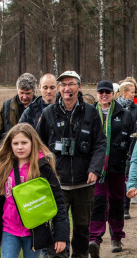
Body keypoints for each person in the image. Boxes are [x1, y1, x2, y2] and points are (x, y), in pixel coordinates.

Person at [0, 123, 69, 258]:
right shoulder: (2, 168)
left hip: (35, 231)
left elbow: (58, 202)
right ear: (10, 145)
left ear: (33, 143)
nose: (20, 147)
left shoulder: (43, 168)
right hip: (9, 229)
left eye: (24, 142)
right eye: (15, 143)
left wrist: (61, 236)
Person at [37, 70, 107, 258]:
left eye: (71, 84)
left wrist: (95, 169)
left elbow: (100, 143)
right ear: (59, 88)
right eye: (63, 85)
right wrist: (44, 172)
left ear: (79, 87)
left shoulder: (91, 112)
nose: (67, 88)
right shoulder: (48, 113)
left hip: (85, 182)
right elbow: (38, 145)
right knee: (57, 227)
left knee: (82, 229)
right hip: (57, 182)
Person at [88, 80, 133, 257]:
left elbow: (130, 137)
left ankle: (116, 236)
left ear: (113, 94)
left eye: (107, 92)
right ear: (97, 94)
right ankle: (95, 238)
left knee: (116, 202)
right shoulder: (91, 113)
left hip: (117, 165)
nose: (104, 95)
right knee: (98, 202)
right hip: (97, 167)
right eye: (101, 92)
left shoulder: (124, 113)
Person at [116, 81, 137, 219]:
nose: (134, 94)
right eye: (132, 92)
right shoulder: (115, 108)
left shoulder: (136, 108)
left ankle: (125, 207)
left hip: (132, 142)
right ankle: (121, 206)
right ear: (124, 92)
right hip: (120, 147)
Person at [0, 72, 37, 139]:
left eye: (28, 93)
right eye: (21, 93)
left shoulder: (40, 107)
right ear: (17, 90)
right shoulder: (7, 106)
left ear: (34, 91)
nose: (24, 97)